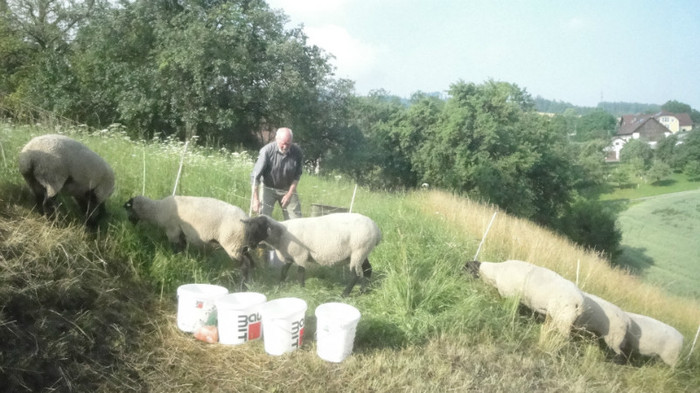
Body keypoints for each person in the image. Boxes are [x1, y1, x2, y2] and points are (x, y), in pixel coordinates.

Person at [250, 127, 303, 219]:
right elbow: (255, 177)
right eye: (283, 144)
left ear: (291, 141)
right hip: (268, 187)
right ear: (276, 140)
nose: (285, 147)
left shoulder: (297, 152)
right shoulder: (266, 151)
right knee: (262, 218)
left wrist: (289, 194)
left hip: (288, 188)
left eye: (288, 144)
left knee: (296, 218)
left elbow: (297, 176)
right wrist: (255, 199)